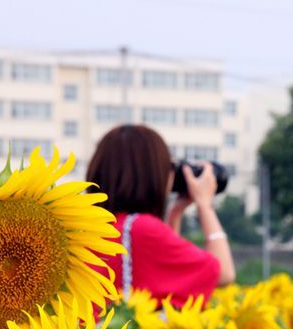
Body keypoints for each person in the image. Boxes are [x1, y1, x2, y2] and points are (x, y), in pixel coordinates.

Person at [88, 124, 236, 309]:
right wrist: (205, 205)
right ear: (151, 173)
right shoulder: (140, 229)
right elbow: (223, 273)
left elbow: (156, 270)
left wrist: (176, 211)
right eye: (169, 166)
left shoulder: (97, 228)